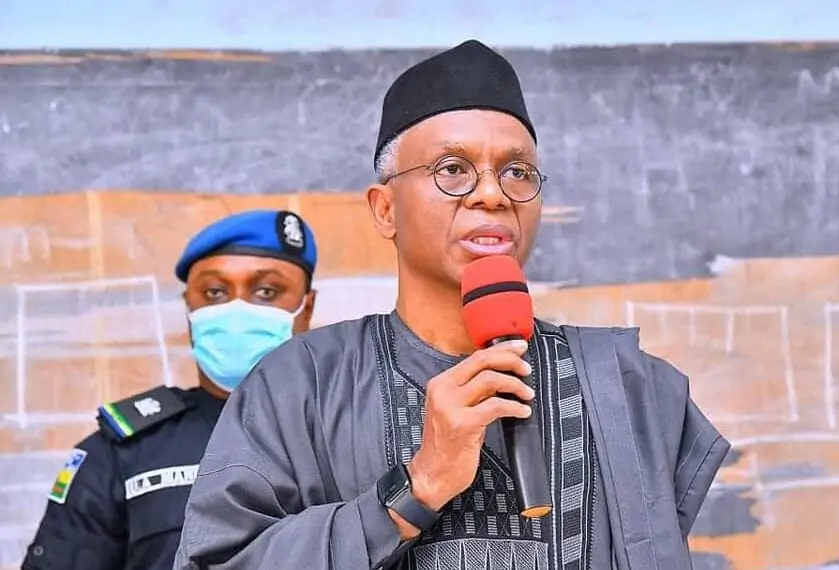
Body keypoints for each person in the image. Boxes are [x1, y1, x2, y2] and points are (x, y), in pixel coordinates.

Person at [175, 40, 730, 570]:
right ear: (385, 209)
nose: (492, 193)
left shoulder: (631, 389)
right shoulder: (301, 383)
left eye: (517, 172)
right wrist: (415, 489)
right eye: (453, 170)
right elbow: (220, 560)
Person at [21, 209, 318, 570]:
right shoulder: (126, 453)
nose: (237, 309)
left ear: (307, 307)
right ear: (189, 309)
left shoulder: (354, 432)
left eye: (266, 291)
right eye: (215, 292)